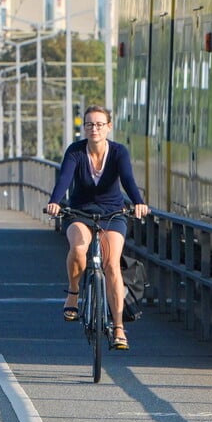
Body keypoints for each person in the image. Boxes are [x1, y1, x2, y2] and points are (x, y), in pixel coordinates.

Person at [46, 106, 149, 350]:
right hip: (79, 212)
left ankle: (118, 327)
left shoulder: (118, 152)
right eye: (90, 124)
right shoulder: (76, 151)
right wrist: (55, 201)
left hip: (112, 214)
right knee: (79, 248)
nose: (95, 129)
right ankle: (73, 292)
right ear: (85, 128)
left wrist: (139, 202)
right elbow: (64, 179)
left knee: (112, 263)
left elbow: (128, 180)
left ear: (109, 127)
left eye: (100, 124)